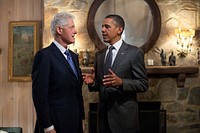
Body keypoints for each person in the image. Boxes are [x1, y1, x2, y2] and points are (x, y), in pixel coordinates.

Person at [82, 14, 148, 133]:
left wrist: (122, 82)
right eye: (102, 27)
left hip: (125, 121)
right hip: (103, 120)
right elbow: (101, 86)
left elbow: (143, 84)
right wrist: (92, 83)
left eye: (107, 27)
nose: (102, 30)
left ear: (119, 29)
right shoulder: (99, 55)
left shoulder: (134, 53)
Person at [32, 12, 84, 133]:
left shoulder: (74, 56)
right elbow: (40, 96)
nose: (75, 31)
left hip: (74, 123)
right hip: (54, 125)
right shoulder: (44, 56)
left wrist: (81, 119)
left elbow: (77, 93)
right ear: (59, 30)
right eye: (71, 27)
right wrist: (48, 127)